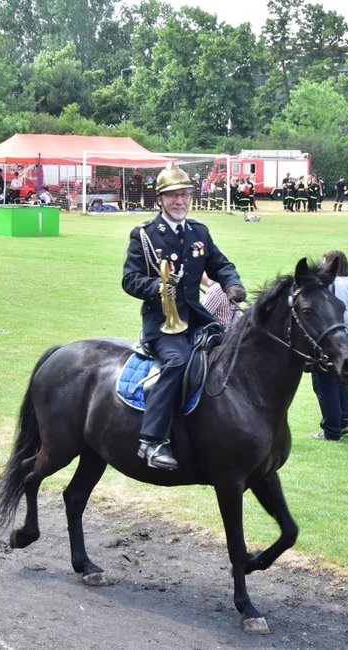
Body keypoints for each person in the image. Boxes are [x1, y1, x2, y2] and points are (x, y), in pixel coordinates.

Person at [122, 163, 246, 470]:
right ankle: (152, 440)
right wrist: (158, 286)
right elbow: (130, 279)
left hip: (197, 318)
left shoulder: (198, 232)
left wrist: (232, 284)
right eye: (172, 195)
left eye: (184, 195)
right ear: (160, 200)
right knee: (177, 361)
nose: (180, 201)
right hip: (162, 323)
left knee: (234, 352)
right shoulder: (144, 235)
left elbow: (220, 264)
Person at [309, 250, 348, 441]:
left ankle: (331, 429)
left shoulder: (330, 285)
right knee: (341, 380)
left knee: (325, 385)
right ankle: (344, 420)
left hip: (333, 341)